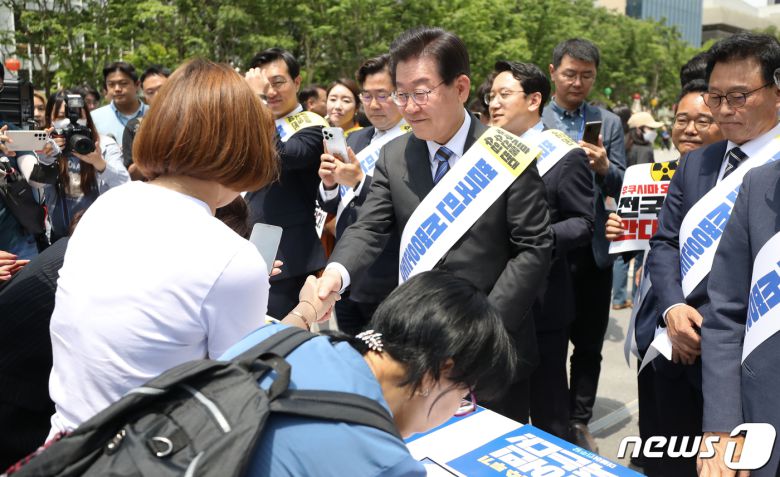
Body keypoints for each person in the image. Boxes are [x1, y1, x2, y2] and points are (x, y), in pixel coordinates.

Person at [45, 58, 338, 439]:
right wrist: (307, 310)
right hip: (149, 453)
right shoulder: (230, 257)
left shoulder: (108, 206)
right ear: (246, 148)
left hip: (65, 442)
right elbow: (245, 383)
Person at [316, 27, 553, 424]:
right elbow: (369, 227)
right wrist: (336, 273)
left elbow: (533, 248)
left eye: (421, 92)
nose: (409, 107)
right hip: (418, 347)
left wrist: (481, 328)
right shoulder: (394, 156)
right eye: (401, 94)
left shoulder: (506, 154)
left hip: (492, 344)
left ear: (460, 88)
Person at [223, 270, 516, 476]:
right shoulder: (386, 463)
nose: (457, 409)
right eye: (466, 395)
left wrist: (307, 309)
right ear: (441, 370)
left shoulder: (271, 340)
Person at [487, 60, 593, 439]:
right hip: (493, 296)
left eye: (504, 94)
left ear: (534, 100)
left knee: (548, 405)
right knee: (499, 402)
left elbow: (583, 222)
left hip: (543, 301)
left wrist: (535, 238)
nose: (494, 103)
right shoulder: (484, 152)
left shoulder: (564, 154)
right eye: (491, 95)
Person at [696, 33, 780, 477]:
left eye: (739, 96)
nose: (725, 108)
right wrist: (722, 427)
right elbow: (727, 315)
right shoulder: (760, 185)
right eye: (717, 96)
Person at [541, 37, 626, 452]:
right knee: (551, 341)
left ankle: (579, 421)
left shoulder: (607, 122)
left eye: (586, 76)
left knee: (589, 345)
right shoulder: (536, 118)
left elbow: (624, 183)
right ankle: (552, 417)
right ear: (553, 71)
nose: (577, 83)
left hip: (594, 252)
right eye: (570, 74)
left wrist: (605, 167)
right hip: (550, 248)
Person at [318, 54, 407, 336]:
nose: (374, 104)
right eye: (367, 96)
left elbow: (406, 203)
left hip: (386, 275)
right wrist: (329, 184)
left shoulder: (415, 142)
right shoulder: (355, 138)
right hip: (344, 271)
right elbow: (332, 204)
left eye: (383, 95)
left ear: (400, 94)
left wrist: (358, 181)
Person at [244, 48, 328, 319]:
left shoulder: (313, 125)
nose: (270, 91)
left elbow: (284, 157)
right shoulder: (247, 124)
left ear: (297, 82)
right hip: (242, 244)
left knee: (280, 335)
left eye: (278, 82)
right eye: (263, 85)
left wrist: (256, 102)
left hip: (285, 254)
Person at [38, 90, 130, 241]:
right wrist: (46, 160)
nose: (70, 122)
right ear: (50, 119)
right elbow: (36, 188)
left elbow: (125, 185)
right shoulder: (45, 148)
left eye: (77, 116)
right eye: (61, 117)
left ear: (87, 117)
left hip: (101, 235)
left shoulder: (104, 145)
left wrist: (100, 164)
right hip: (60, 236)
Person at [122, 66, 171, 178]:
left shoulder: (191, 121)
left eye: (162, 89)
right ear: (144, 95)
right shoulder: (135, 126)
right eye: (150, 92)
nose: (157, 95)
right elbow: (131, 175)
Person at [89, 61, 148, 144]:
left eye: (123, 83)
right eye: (111, 84)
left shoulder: (154, 114)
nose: (117, 89)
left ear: (137, 85)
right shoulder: (94, 118)